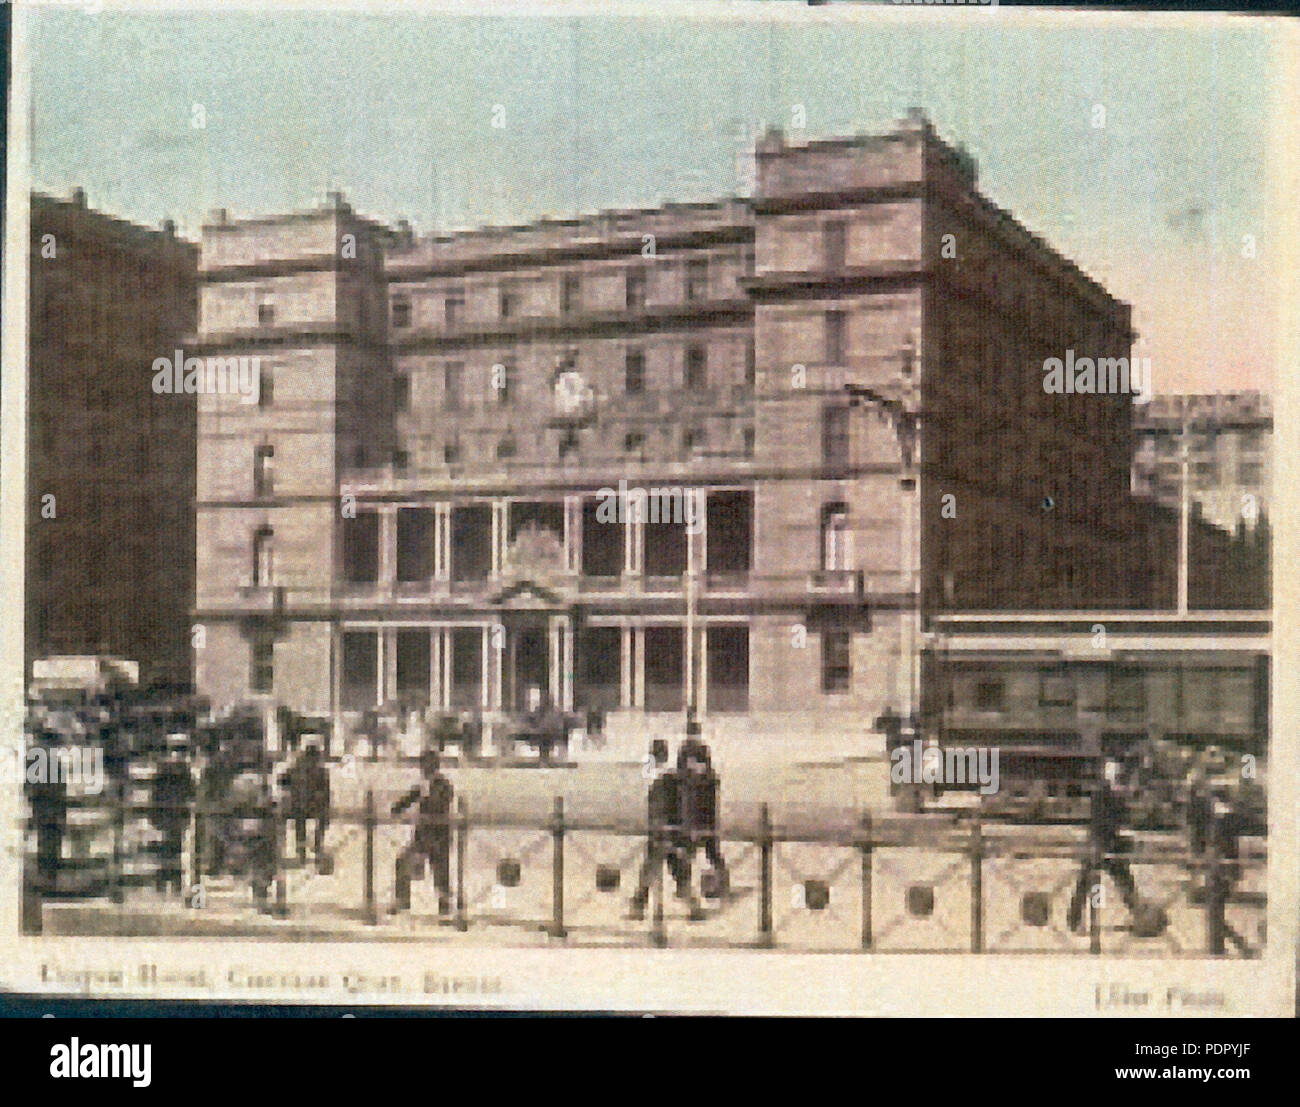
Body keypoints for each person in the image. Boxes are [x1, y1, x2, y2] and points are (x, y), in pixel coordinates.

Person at [1068, 758, 1140, 933]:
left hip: (1111, 844)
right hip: (1101, 844)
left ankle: (1140, 916)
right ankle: (1074, 919)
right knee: (1086, 883)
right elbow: (1102, 819)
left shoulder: (1116, 792)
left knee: (1124, 882)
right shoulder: (1102, 793)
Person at [629, 739, 692, 920]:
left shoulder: (656, 776)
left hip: (659, 827)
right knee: (674, 866)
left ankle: (638, 906)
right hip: (668, 826)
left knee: (653, 867)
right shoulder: (668, 778)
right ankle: (691, 904)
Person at [391, 750, 455, 915]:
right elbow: (407, 800)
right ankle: (402, 900)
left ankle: (445, 904)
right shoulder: (423, 786)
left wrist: (426, 796)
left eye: (426, 765)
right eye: (422, 765)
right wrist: (397, 808)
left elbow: (440, 805)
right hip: (423, 837)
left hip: (439, 836)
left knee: (440, 871)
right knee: (403, 861)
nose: (423, 769)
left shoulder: (443, 785)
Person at [676, 715, 729, 903]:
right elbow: (680, 777)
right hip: (694, 812)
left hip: (702, 813)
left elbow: (708, 779)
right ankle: (684, 885)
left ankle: (720, 881)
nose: (693, 738)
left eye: (694, 734)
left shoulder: (701, 754)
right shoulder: (685, 752)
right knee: (693, 851)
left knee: (708, 850)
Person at [151, 733, 196, 896]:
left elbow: (191, 791)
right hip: (167, 811)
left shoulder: (186, 770)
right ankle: (163, 880)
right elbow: (156, 792)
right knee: (167, 846)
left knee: (177, 846)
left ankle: (175, 881)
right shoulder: (164, 769)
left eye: (182, 749)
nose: (179, 754)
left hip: (178, 812)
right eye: (176, 749)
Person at [279, 740, 330, 866]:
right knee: (318, 819)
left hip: (299, 808)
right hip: (311, 808)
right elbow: (326, 794)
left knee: (300, 821)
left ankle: (302, 848)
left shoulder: (296, 768)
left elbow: (282, 781)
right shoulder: (320, 771)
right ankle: (317, 844)